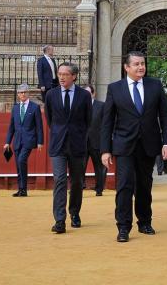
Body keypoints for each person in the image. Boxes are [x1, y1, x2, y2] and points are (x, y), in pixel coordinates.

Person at [101, 52, 167, 243]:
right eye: (136, 64)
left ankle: (145, 222)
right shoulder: (114, 88)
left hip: (148, 145)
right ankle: (123, 227)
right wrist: (105, 149)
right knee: (124, 185)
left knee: (144, 185)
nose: (141, 67)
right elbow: (107, 121)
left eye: (142, 64)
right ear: (126, 67)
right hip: (124, 145)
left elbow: (165, 116)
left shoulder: (155, 85)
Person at [44, 63, 92, 234]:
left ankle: (75, 213)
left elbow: (88, 121)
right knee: (60, 180)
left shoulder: (84, 96)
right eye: (60, 74)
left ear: (74, 76)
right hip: (57, 144)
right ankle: (59, 220)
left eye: (66, 74)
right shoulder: (51, 95)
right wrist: (59, 133)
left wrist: (78, 136)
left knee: (77, 182)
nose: (62, 77)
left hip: (77, 145)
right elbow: (50, 119)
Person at [3, 83, 43, 197]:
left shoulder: (34, 107)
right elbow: (11, 126)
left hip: (29, 140)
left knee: (21, 161)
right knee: (18, 164)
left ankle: (24, 189)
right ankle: (21, 189)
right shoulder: (15, 107)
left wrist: (40, 141)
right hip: (17, 141)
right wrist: (7, 142)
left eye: (25, 92)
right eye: (21, 92)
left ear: (28, 93)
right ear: (18, 94)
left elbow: (39, 126)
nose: (23, 94)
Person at [84, 85, 108, 196]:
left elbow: (105, 125)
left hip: (97, 141)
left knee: (99, 167)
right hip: (82, 142)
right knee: (79, 167)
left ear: (93, 94)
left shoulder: (101, 106)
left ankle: (99, 189)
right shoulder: (78, 106)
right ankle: (78, 187)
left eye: (88, 93)